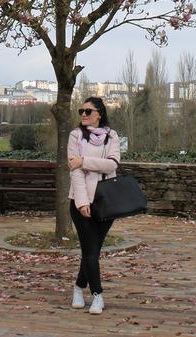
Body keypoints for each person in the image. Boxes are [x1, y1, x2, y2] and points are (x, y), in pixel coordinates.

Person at [67, 96, 120, 315]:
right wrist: (81, 203)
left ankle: (79, 287)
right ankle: (97, 294)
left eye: (88, 111)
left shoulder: (112, 136)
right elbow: (75, 172)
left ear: (99, 113)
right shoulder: (76, 136)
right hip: (81, 201)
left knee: (93, 250)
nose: (83, 115)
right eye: (81, 111)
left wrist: (85, 161)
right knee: (89, 250)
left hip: (106, 201)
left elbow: (113, 164)